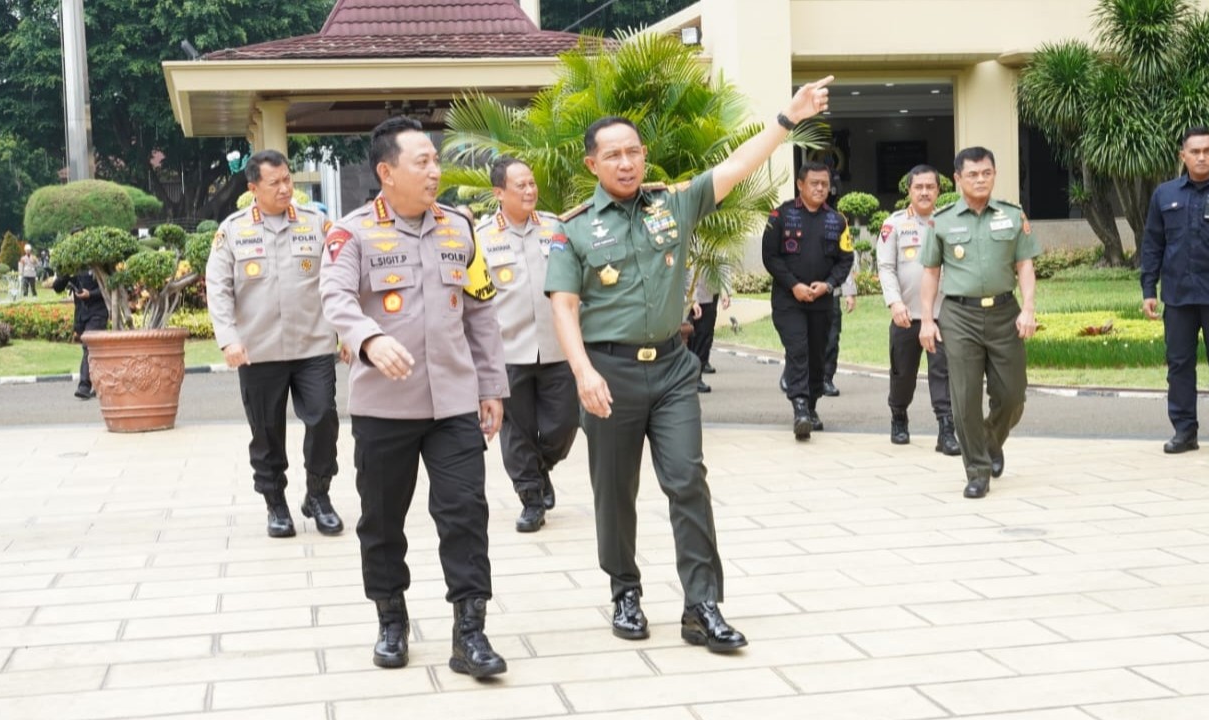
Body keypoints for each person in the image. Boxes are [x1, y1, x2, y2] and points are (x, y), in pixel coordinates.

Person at [546, 75, 834, 653]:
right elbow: (565, 306)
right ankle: (624, 591)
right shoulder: (573, 229)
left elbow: (737, 166)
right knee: (614, 490)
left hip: (674, 370)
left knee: (687, 482)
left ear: (643, 156)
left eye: (633, 152)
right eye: (613, 156)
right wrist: (582, 371)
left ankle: (702, 605)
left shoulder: (673, 202)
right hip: (610, 372)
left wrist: (788, 117)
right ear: (592, 164)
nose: (625, 163)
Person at [319, 117, 510, 678]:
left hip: (454, 404)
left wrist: (492, 386)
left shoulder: (460, 229)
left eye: (435, 160)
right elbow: (334, 296)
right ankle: (391, 618)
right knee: (381, 521)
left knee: (466, 515)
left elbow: (480, 312)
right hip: (384, 408)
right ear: (386, 172)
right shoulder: (351, 233)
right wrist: (369, 338)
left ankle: (469, 633)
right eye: (422, 161)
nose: (435, 170)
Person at [206, 149, 345, 540]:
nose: (286, 188)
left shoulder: (317, 224)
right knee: (266, 431)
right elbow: (218, 289)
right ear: (253, 189)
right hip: (259, 351)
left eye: (288, 180)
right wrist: (228, 339)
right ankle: (276, 504)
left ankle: (318, 494)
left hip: (313, 346)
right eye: (275, 183)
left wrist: (347, 333)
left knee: (323, 419)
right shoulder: (232, 231)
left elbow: (339, 280)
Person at [919, 147, 1041, 499]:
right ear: (957, 179)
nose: (980, 179)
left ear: (994, 174)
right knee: (965, 397)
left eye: (986, 173)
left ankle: (990, 440)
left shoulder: (1012, 216)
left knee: (1013, 394)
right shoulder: (942, 221)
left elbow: (1025, 267)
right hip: (959, 316)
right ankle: (977, 470)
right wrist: (927, 319)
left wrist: (1028, 308)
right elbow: (930, 273)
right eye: (972, 174)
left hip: (1005, 312)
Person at [476, 156, 578, 533]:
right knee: (516, 431)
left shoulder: (555, 228)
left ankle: (541, 467)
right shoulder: (482, 237)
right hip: (508, 352)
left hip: (557, 348)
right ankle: (531, 498)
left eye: (532, 183)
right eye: (520, 185)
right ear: (498, 193)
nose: (530, 190)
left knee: (564, 424)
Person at [1141, 125, 1209, 455]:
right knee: (1178, 366)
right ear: (1183, 155)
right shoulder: (1165, 195)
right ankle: (1184, 431)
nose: (1201, 157)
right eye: (1195, 151)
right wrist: (1149, 289)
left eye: (1207, 150)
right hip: (1177, 296)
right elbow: (1152, 245)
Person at [762, 162, 854, 440]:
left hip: (822, 302)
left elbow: (845, 259)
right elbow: (771, 258)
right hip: (788, 301)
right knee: (798, 349)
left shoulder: (837, 221)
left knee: (817, 355)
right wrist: (794, 285)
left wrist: (828, 285)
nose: (820, 188)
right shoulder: (780, 216)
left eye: (824, 184)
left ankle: (811, 406)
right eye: (814, 183)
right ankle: (799, 407)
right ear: (800, 185)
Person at [878, 165, 961, 455]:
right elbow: (886, 267)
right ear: (909, 191)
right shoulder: (895, 224)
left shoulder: (949, 223)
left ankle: (946, 429)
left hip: (942, 315)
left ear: (939, 191)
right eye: (919, 187)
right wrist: (894, 302)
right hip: (906, 317)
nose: (925, 192)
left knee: (944, 372)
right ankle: (898, 416)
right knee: (903, 375)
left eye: (930, 187)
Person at [53, 268, 108, 399]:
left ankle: (84, 385)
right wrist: (65, 273)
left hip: (98, 312)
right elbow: (57, 287)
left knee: (88, 346)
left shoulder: (100, 264)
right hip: (81, 315)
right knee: (96, 351)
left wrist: (91, 294)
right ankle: (101, 383)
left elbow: (110, 287)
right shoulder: (74, 265)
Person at [687, 270, 732, 393]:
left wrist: (725, 291)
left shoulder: (718, 250)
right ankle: (685, 378)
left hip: (709, 293)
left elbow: (723, 265)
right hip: (687, 296)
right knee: (688, 338)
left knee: (704, 337)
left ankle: (697, 376)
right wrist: (692, 299)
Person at [821, 264, 857, 397]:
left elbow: (844, 260)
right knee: (801, 338)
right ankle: (795, 374)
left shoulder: (839, 241)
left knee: (831, 339)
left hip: (830, 293)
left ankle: (826, 378)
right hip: (803, 292)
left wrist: (849, 293)